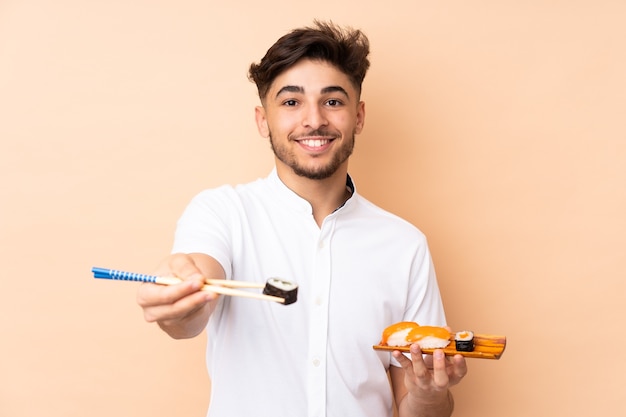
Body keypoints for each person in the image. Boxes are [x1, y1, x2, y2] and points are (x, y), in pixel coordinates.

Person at [137, 20, 467, 417]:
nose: (314, 120)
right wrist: (179, 297)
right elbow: (189, 311)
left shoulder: (404, 244)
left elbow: (418, 407)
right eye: (291, 102)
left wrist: (429, 396)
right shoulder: (223, 213)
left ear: (358, 116)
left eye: (332, 101)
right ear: (263, 120)